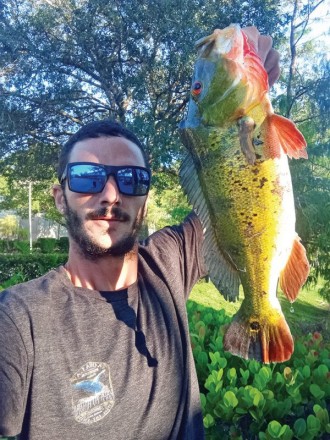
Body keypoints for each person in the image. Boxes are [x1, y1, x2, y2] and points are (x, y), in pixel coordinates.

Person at [0, 28, 280, 440]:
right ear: (60, 197)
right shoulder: (18, 317)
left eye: (131, 179)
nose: (111, 194)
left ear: (144, 202)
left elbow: (236, 199)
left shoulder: (170, 260)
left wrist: (253, 85)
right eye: (87, 177)